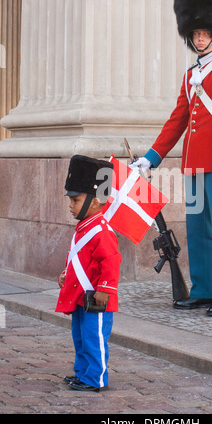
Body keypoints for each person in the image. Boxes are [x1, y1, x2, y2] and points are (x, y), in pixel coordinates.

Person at [131, 0, 212, 316]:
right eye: (195, 33)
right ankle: (204, 289)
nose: (199, 38)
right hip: (194, 166)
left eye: (204, 33)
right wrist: (151, 158)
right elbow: (177, 121)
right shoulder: (190, 77)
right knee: (198, 231)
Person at [55, 155, 122, 391]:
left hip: (96, 299)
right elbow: (79, 258)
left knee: (95, 341)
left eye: (75, 200)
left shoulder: (102, 231)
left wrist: (105, 288)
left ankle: (96, 378)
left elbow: (111, 261)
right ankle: (82, 374)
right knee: (81, 339)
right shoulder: (84, 228)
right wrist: (66, 273)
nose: (71, 206)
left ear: (94, 202)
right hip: (81, 297)